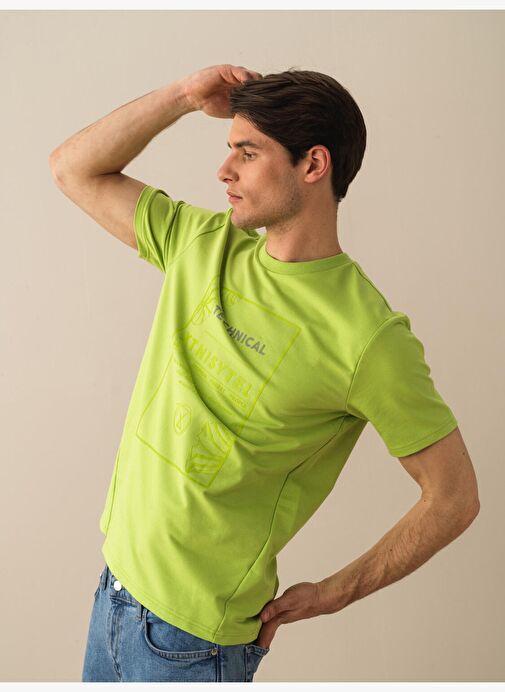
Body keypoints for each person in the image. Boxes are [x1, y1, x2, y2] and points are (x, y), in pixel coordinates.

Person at [49, 64, 480, 683]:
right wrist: (181, 96)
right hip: (114, 592)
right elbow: (72, 168)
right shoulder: (202, 243)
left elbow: (454, 497)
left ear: (313, 165)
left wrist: (336, 592)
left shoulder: (367, 337)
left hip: (191, 644)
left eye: (247, 154)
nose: (224, 171)